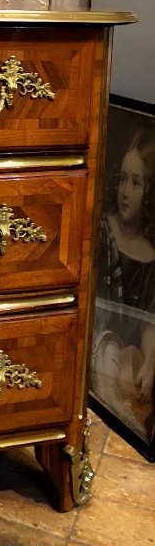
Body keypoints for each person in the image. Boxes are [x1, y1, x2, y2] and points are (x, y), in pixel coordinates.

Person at [93, 126, 155, 438]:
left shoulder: (150, 258)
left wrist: (150, 362)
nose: (125, 191)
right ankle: (115, 412)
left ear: (150, 192)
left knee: (137, 366)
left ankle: (131, 425)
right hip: (97, 342)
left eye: (136, 182)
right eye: (122, 180)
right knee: (108, 352)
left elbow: (148, 322)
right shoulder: (103, 232)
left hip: (127, 355)